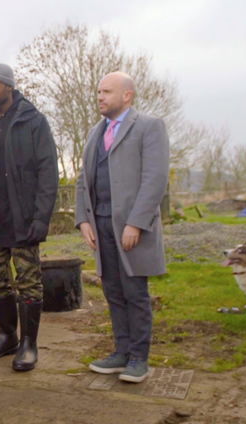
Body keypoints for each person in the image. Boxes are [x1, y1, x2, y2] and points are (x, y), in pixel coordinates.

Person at [0, 64, 59, 371]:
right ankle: (7, 336)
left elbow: (48, 172)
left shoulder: (33, 121)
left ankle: (29, 345)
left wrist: (41, 218)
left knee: (29, 283)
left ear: (9, 87)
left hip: (23, 219)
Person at [76, 72, 169, 383]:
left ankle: (139, 359)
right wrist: (83, 220)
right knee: (113, 290)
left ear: (127, 96)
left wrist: (136, 223)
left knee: (134, 292)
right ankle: (121, 352)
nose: (100, 97)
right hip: (100, 225)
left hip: (131, 228)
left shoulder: (149, 127)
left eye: (107, 92)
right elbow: (82, 181)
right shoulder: (94, 133)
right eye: (99, 91)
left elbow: (155, 180)